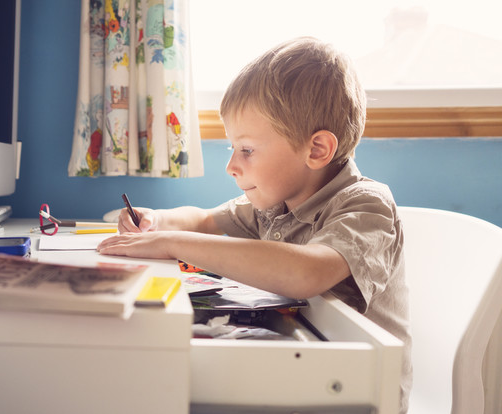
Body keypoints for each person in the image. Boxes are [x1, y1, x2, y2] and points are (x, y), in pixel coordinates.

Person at [97, 36, 412, 413]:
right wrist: (156, 221)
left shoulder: (365, 205)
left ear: (316, 150)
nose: (231, 166)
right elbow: (205, 220)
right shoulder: (273, 203)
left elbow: (304, 272)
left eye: (246, 149)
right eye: (232, 149)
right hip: (302, 361)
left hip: (361, 391)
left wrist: (173, 243)